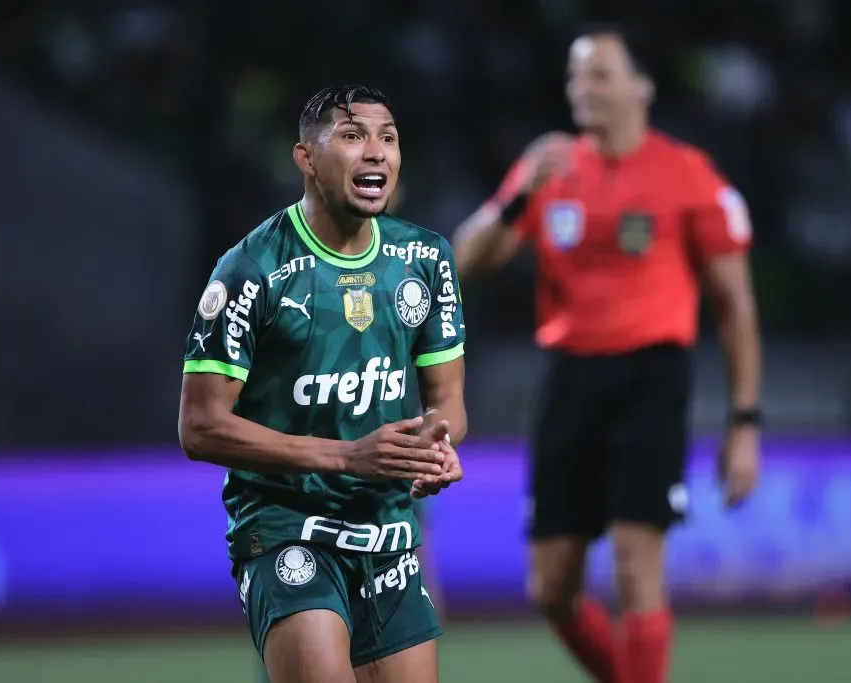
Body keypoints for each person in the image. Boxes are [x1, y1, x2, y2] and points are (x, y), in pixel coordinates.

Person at [452, 25, 762, 683]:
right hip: (568, 378)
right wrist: (521, 193)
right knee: (550, 588)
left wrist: (744, 424)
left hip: (651, 374)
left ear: (641, 86)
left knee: (633, 560)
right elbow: (467, 258)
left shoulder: (687, 175)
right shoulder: (551, 167)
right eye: (575, 76)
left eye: (599, 74)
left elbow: (736, 306)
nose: (582, 88)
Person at [178, 84, 467, 683]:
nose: (376, 153)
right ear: (306, 159)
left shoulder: (426, 260)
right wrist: (345, 456)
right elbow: (200, 426)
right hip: (287, 525)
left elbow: (448, 404)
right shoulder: (252, 270)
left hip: (387, 529)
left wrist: (433, 450)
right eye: (353, 136)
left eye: (387, 138)